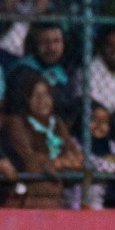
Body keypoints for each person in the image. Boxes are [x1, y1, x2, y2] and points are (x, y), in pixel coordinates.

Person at [3, 69, 84, 209]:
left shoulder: (57, 122)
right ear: (27, 99)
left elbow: (73, 153)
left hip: (57, 186)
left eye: (46, 95)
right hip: (31, 192)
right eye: (36, 96)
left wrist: (67, 161)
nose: (42, 101)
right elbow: (29, 160)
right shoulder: (17, 123)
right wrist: (57, 163)